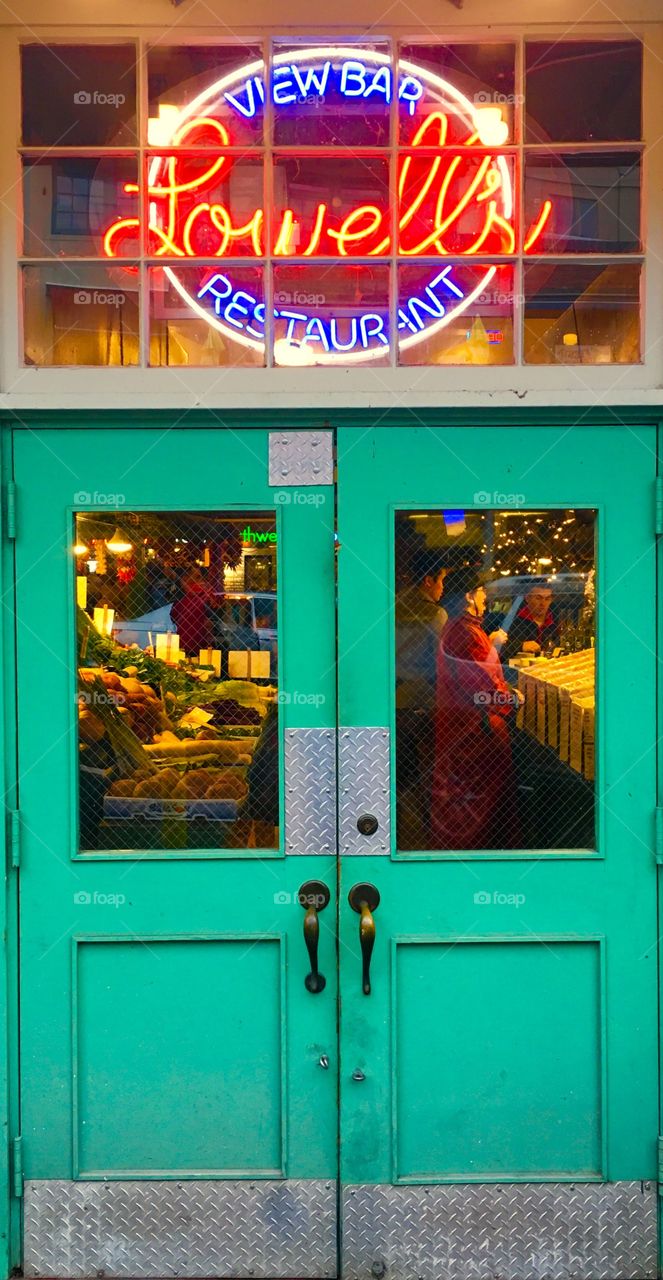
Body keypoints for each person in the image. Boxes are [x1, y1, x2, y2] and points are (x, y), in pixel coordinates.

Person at [431, 565, 521, 850]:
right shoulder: (468, 632)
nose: (485, 597)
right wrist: (513, 698)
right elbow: (481, 687)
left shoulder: (459, 626)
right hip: (475, 731)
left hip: (461, 726)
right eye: (482, 592)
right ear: (470, 596)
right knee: (483, 805)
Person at [395, 549, 450, 848]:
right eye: (441, 580)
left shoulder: (392, 604)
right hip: (421, 704)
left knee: (398, 779)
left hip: (392, 701)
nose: (443, 588)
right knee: (419, 781)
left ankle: (398, 836)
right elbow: (443, 661)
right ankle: (416, 844)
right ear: (428, 580)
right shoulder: (434, 614)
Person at [502, 580, 558, 660]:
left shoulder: (555, 621)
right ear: (527, 598)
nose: (543, 603)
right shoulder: (514, 621)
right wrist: (520, 646)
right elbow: (499, 648)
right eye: (538, 598)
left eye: (547, 599)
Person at [170, 567, 214, 654]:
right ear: (185, 578)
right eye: (197, 577)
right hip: (183, 645)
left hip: (196, 645)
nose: (201, 581)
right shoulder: (178, 597)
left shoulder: (203, 596)